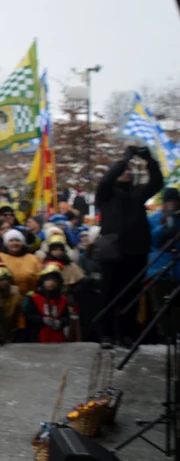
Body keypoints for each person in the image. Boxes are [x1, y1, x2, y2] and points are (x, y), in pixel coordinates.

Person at [96, 146, 163, 346]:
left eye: (128, 171)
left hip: (136, 250)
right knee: (109, 294)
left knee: (132, 295)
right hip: (112, 251)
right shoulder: (106, 194)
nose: (126, 172)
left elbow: (157, 182)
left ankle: (127, 334)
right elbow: (106, 180)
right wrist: (124, 160)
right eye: (123, 171)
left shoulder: (138, 194)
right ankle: (106, 334)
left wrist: (148, 160)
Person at [0, 229, 42, 301]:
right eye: (11, 241)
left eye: (17, 240)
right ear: (6, 243)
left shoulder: (33, 258)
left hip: (30, 299)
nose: (14, 243)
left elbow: (40, 278)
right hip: (7, 300)